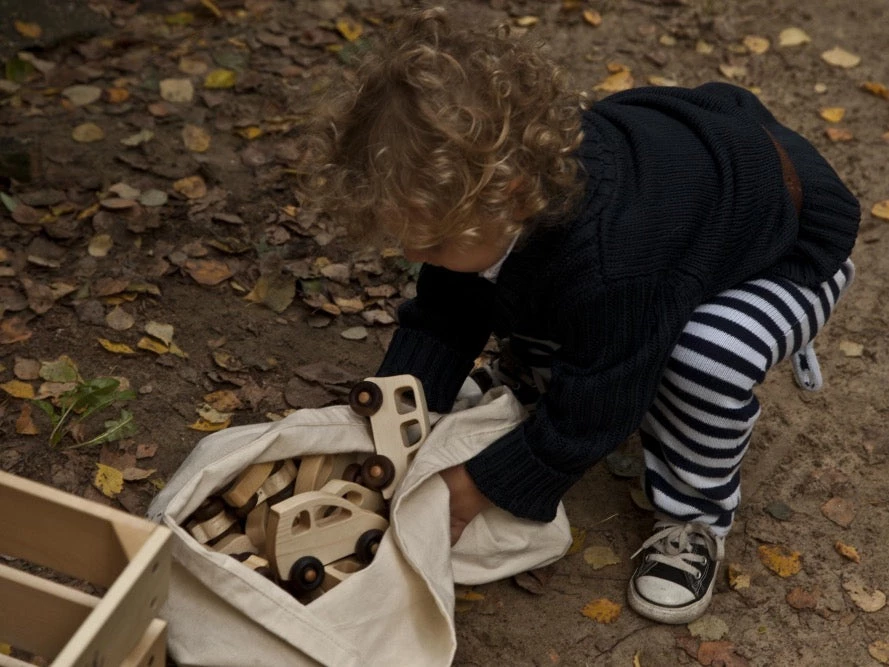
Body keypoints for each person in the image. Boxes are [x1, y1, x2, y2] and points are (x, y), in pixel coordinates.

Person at [297, 8, 860, 624]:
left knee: (701, 359)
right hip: (679, 220)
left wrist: (479, 485)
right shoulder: (495, 206)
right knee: (522, 284)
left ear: (509, 195)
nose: (413, 256)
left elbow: (603, 398)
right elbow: (444, 312)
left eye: (429, 244)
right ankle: (536, 373)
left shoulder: (614, 262)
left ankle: (694, 518)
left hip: (782, 248)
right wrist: (398, 402)